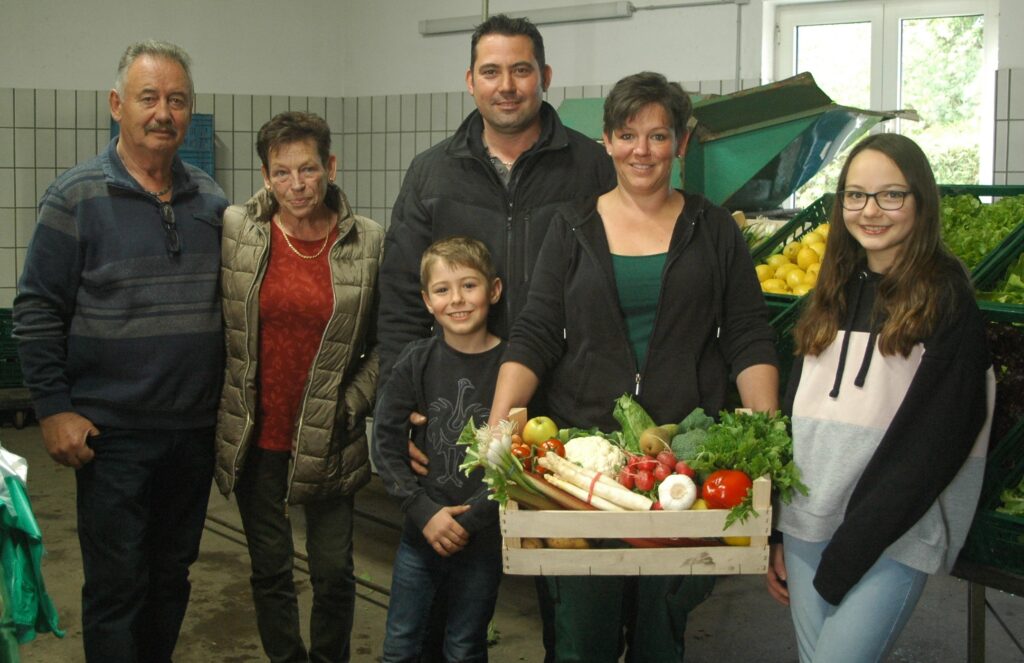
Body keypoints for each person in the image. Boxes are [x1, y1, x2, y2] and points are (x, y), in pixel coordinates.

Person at [488, 71, 779, 662]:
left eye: (657, 136)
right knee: (584, 632)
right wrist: (499, 425)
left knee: (662, 628)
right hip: (581, 459)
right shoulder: (568, 227)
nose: (641, 150)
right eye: (627, 135)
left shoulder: (715, 229)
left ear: (682, 144)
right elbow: (537, 332)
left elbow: (748, 334)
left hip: (684, 463)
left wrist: (765, 430)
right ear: (607, 141)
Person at [377, 14, 615, 658]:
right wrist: (401, 407)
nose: (506, 85)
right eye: (491, 71)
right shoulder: (432, 173)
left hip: (559, 407)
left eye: (520, 70)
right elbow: (401, 297)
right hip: (456, 408)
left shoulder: (592, 167)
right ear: (470, 81)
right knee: (442, 590)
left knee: (563, 584)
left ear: (545, 77)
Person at [12, 40, 228, 661]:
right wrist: (53, 409)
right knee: (116, 586)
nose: (164, 112)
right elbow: (37, 308)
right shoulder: (75, 197)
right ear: (117, 105)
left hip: (191, 432)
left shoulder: (211, 201)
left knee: (171, 578)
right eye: (149, 98)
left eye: (177, 100)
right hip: (111, 436)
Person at [765, 133, 994, 663]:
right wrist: (778, 529)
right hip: (807, 523)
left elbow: (938, 439)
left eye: (891, 195)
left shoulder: (945, 297)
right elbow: (799, 409)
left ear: (921, 201)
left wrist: (851, 551)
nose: (871, 211)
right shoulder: (835, 286)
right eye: (855, 194)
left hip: (894, 531)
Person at [213, 111, 384, 663]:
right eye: (282, 173)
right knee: (271, 571)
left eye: (308, 169)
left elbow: (390, 343)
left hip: (331, 435)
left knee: (333, 571)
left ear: (331, 166)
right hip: (256, 432)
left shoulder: (368, 242)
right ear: (264, 175)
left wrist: (350, 404)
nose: (297, 185)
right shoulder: (239, 231)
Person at [373, 237, 505, 663]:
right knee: (400, 646)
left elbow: (520, 458)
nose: (457, 300)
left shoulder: (512, 367)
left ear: (494, 290)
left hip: (482, 537)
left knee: (465, 647)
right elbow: (387, 441)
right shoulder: (416, 360)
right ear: (427, 301)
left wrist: (476, 518)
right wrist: (422, 510)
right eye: (443, 290)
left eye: (469, 285)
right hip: (419, 532)